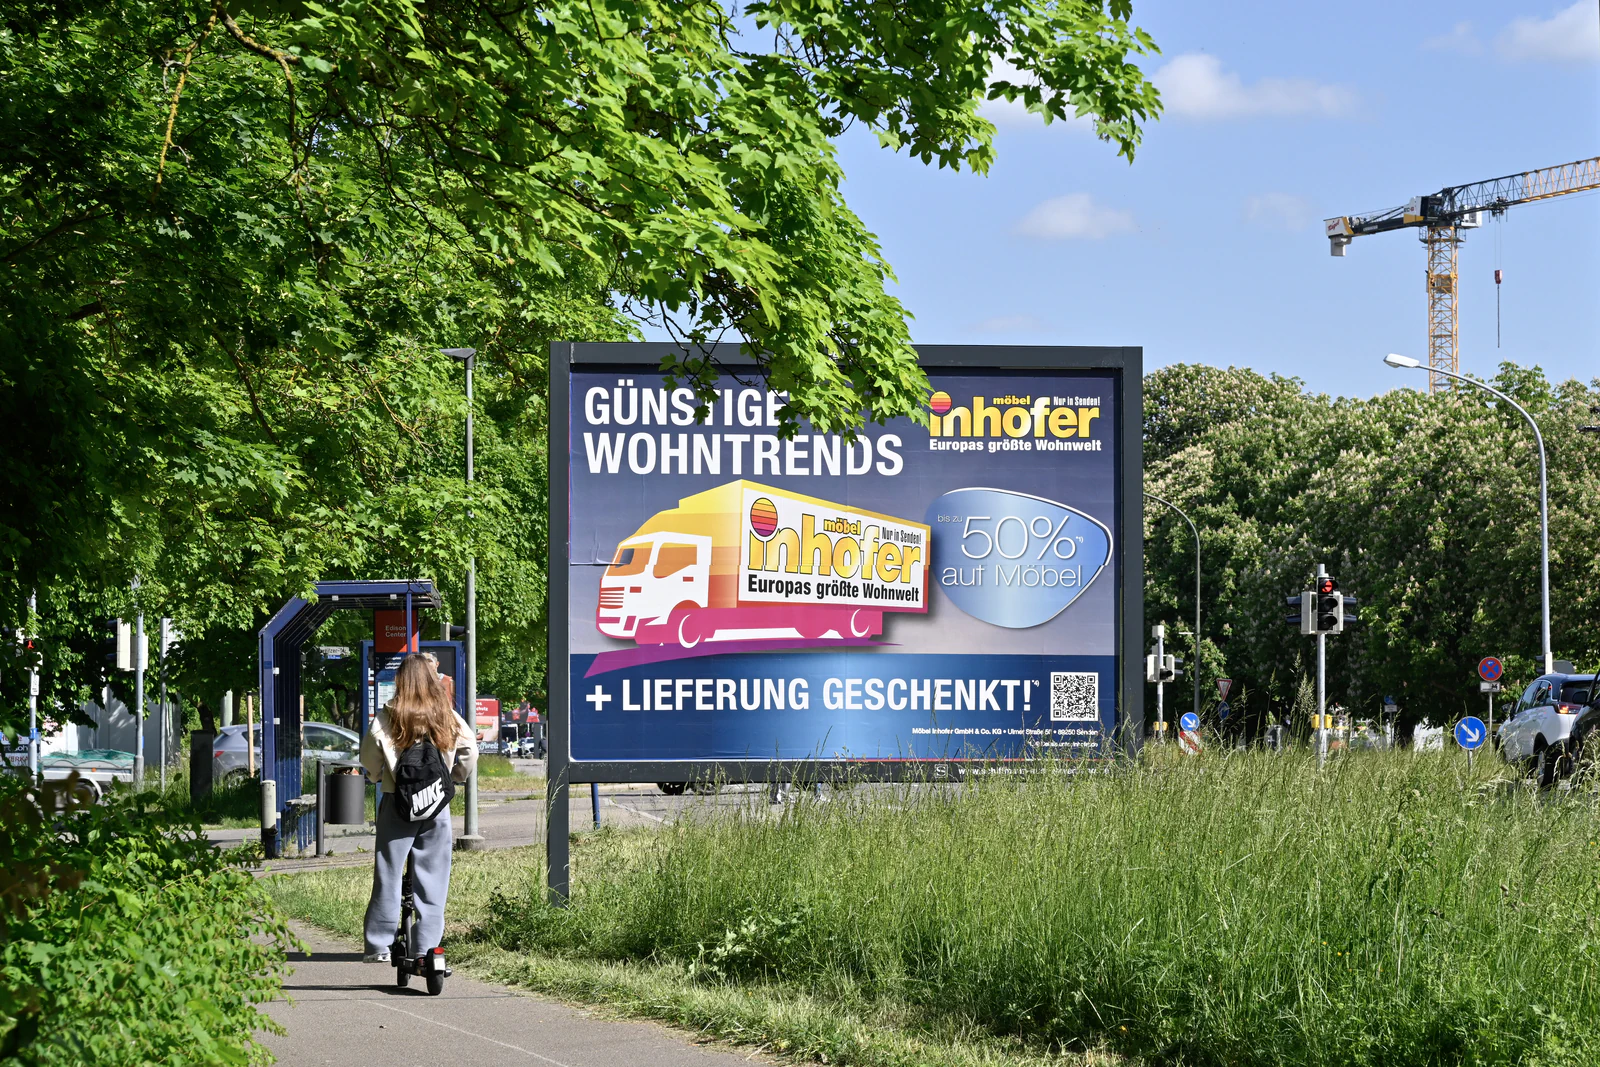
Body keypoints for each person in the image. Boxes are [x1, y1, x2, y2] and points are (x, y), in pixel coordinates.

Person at [358, 652, 477, 962]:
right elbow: (470, 752)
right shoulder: (446, 715)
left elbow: (368, 757)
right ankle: (425, 947)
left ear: (401, 680)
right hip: (436, 806)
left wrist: (378, 776)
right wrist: (454, 776)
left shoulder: (388, 716)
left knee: (388, 871)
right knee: (434, 876)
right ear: (432, 680)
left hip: (396, 802)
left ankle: (379, 945)